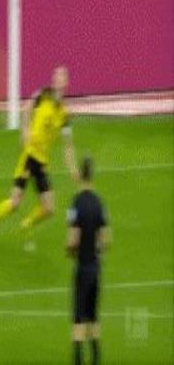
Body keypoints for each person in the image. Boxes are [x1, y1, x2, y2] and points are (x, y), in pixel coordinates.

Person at [0, 66, 78, 252]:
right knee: (15, 202)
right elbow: (27, 109)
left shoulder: (64, 114)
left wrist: (73, 168)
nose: (58, 78)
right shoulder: (43, 95)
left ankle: (27, 224)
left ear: (66, 82)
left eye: (62, 76)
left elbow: (68, 145)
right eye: (57, 75)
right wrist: (24, 130)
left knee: (49, 208)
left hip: (42, 162)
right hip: (29, 156)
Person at [67, 156, 111, 365]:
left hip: (82, 267)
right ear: (92, 175)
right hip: (95, 267)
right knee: (93, 316)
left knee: (78, 317)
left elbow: (73, 239)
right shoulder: (99, 203)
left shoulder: (76, 203)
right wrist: (98, 251)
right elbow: (106, 239)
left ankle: (78, 359)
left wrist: (70, 250)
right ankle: (95, 359)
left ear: (80, 175)